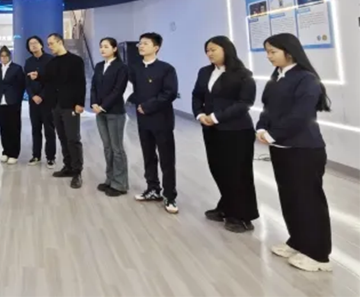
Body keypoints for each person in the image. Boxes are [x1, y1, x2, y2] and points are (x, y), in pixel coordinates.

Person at [257, 33, 332, 272]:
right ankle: (298, 241)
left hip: (304, 150)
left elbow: (300, 115)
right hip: (282, 149)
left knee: (309, 201)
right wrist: (261, 127)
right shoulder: (277, 76)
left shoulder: (306, 78)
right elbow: (267, 108)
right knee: (290, 199)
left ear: (289, 52)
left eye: (273, 52)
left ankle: (319, 255)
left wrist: (273, 134)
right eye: (267, 52)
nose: (269, 56)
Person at [192, 36, 258, 233]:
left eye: (213, 49)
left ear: (226, 49)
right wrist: (200, 114)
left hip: (236, 130)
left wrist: (216, 117)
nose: (209, 53)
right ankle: (227, 206)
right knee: (218, 170)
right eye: (207, 50)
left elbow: (245, 103)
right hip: (211, 129)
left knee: (238, 173)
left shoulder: (242, 74)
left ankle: (242, 216)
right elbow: (197, 95)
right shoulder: (205, 72)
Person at [128, 32, 179, 214]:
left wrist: (147, 106)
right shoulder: (135, 69)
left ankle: (170, 196)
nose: (141, 46)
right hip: (143, 120)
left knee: (167, 159)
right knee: (148, 156)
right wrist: (136, 103)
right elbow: (129, 90)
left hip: (162, 120)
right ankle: (152, 189)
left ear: (156, 47)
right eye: (140, 43)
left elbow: (170, 93)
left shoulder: (166, 69)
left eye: (145, 43)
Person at [32, 34, 86, 189]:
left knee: (73, 139)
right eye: (48, 44)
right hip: (55, 105)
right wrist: (38, 77)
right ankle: (68, 166)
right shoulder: (52, 63)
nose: (49, 46)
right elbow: (48, 80)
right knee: (62, 137)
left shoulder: (76, 61)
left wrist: (80, 103)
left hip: (70, 105)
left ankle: (77, 172)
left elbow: (80, 83)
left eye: (51, 43)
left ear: (60, 42)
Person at [90, 37, 129, 196]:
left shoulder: (121, 67)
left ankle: (120, 184)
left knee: (116, 148)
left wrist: (103, 106)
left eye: (106, 46)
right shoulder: (99, 66)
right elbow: (93, 86)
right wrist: (94, 103)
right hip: (100, 112)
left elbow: (118, 90)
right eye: (101, 46)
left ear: (114, 49)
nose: (102, 49)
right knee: (107, 147)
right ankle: (110, 179)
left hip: (114, 112)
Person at [24, 36, 55, 168]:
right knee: (35, 129)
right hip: (33, 102)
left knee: (49, 129)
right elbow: (27, 82)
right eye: (30, 44)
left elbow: (52, 81)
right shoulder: (28, 62)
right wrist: (32, 96)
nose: (33, 45)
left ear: (41, 45)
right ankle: (36, 155)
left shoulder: (50, 60)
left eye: (36, 43)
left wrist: (41, 96)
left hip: (47, 101)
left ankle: (50, 157)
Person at [0, 46, 25, 165]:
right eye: (1, 56)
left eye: (5, 56)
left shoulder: (17, 68)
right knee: (3, 127)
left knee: (14, 128)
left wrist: (17, 99)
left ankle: (14, 153)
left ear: (9, 56)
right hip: (0, 101)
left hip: (13, 102)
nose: (3, 58)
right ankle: (5, 151)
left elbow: (21, 85)